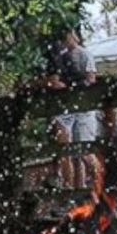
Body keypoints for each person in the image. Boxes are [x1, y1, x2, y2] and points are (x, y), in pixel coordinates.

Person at [43, 28, 100, 190]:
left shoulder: (85, 55)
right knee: (66, 151)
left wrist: (78, 88)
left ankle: (100, 186)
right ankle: (72, 190)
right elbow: (54, 79)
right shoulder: (57, 56)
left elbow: (91, 80)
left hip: (82, 105)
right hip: (64, 106)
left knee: (84, 152)